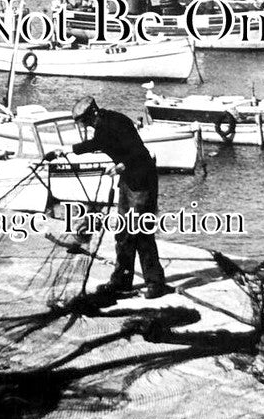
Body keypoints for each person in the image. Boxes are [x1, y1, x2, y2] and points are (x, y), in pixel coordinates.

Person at [44, 96, 171, 300]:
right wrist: (65, 150)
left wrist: (121, 165)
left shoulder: (116, 122)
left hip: (142, 180)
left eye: (85, 121)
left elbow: (139, 152)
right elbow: (98, 143)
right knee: (123, 232)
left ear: (93, 113)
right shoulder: (103, 124)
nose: (85, 125)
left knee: (140, 232)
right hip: (128, 181)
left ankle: (156, 283)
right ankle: (121, 281)